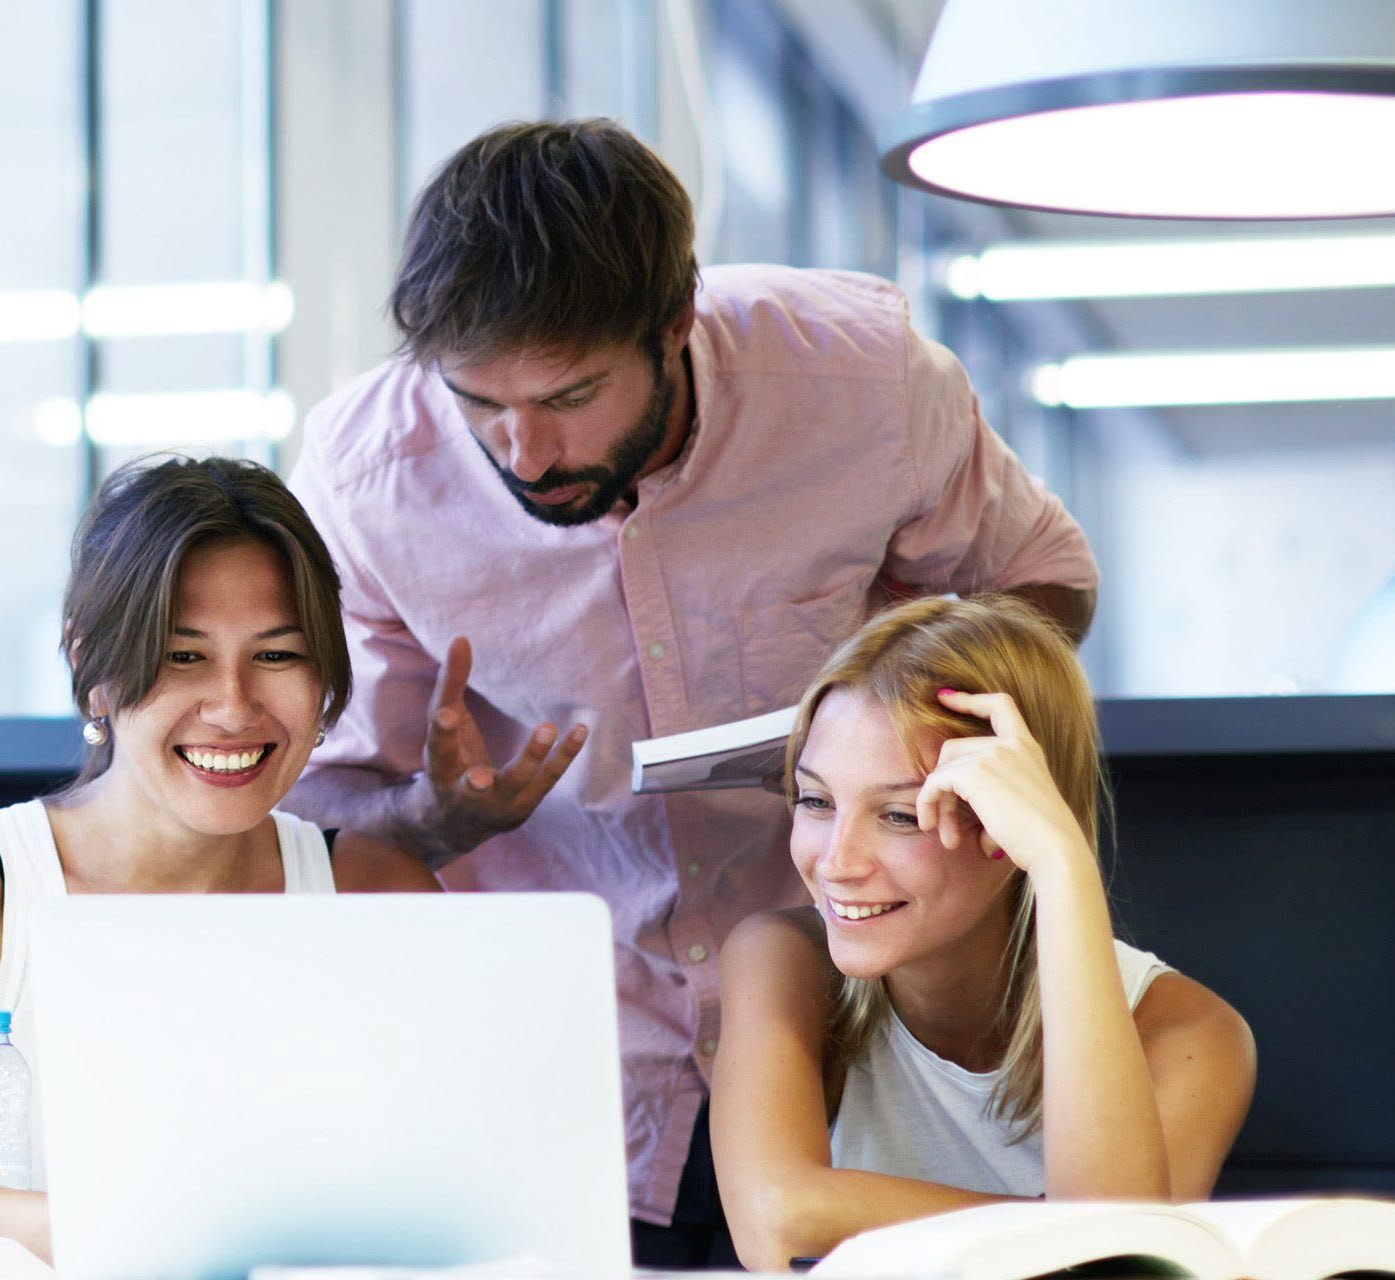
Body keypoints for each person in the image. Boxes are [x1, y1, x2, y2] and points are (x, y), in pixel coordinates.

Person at [281, 118, 1102, 1264]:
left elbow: (1045, 587)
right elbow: (311, 802)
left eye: (569, 396)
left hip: (870, 1022)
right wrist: (435, 819)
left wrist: (904, 723)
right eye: (478, 403)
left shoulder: (859, 380)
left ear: (675, 327)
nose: (521, 451)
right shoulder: (365, 478)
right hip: (566, 1062)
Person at [0, 456, 438, 1257]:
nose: (233, 708)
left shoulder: (379, 893)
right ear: (94, 671)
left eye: (277, 656)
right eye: (183, 656)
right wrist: (86, 1230)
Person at [709, 597, 1255, 1270]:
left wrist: (1061, 865)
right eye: (816, 801)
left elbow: (1112, 1269)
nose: (836, 863)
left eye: (902, 815)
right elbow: (777, 1220)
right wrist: (1070, 1227)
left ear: (1016, 820)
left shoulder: (1192, 1034)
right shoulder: (783, 958)